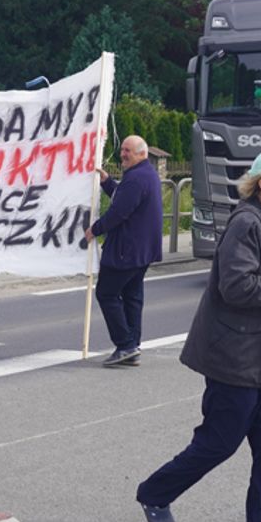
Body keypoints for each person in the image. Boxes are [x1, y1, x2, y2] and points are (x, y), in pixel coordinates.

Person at [135, 148, 261, 522]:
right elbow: (237, 288)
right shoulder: (246, 224)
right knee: (219, 442)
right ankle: (154, 493)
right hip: (234, 356)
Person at [84, 135, 163, 367]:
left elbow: (119, 211)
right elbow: (125, 198)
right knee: (132, 296)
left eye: (128, 151)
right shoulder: (145, 175)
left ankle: (125, 344)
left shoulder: (137, 178)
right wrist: (108, 182)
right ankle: (132, 346)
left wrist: (94, 230)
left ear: (142, 153)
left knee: (106, 294)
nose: (123, 154)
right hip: (142, 250)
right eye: (122, 150)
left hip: (126, 250)